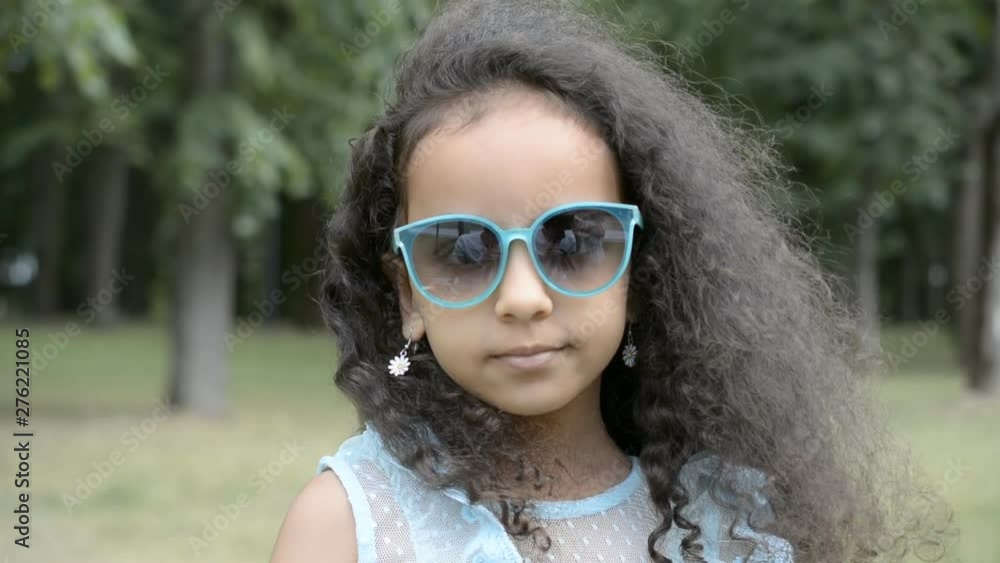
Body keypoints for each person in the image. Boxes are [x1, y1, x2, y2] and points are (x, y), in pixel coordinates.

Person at [270, 1, 958, 561]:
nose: (522, 298)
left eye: (571, 241)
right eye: (462, 250)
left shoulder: (736, 525)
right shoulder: (351, 531)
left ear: (640, 265)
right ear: (408, 293)